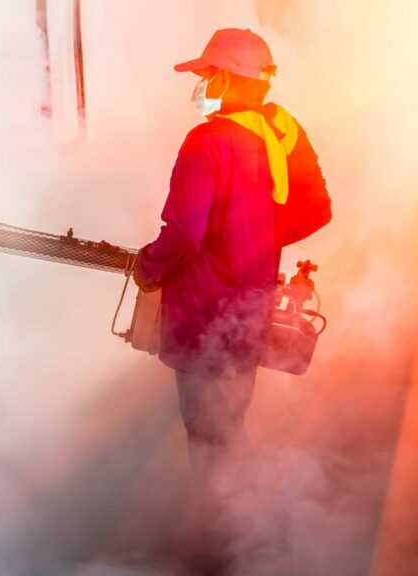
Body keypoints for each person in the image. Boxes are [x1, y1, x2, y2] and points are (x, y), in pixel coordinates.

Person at [132, 28, 331, 573]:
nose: (200, 85)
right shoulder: (283, 129)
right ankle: (239, 532)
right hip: (253, 305)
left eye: (205, 74)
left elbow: (185, 234)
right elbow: (318, 210)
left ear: (226, 75)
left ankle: (221, 549)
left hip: (203, 313)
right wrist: (255, 238)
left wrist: (147, 266)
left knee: (208, 431)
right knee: (228, 420)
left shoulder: (207, 140)